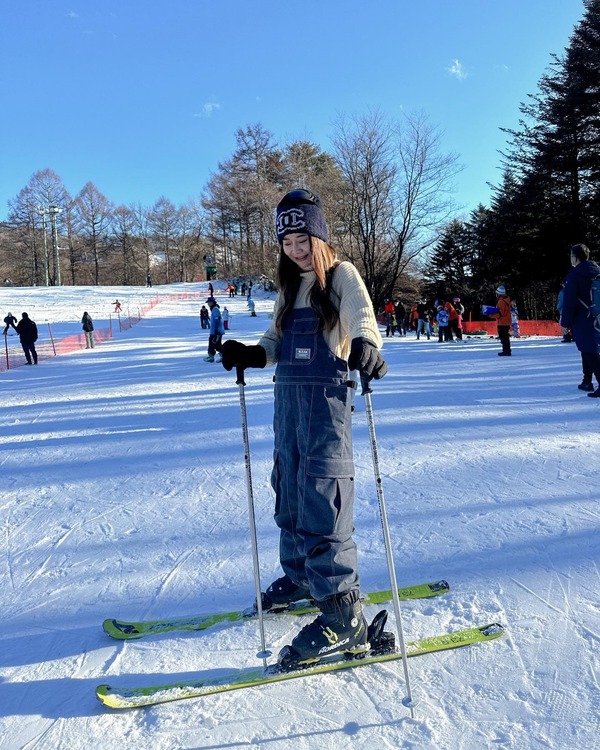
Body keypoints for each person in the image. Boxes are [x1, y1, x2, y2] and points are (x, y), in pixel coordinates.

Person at [220, 189, 387, 666]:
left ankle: (342, 614)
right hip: (287, 405)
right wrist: (254, 354)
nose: (295, 248)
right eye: (287, 240)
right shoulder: (289, 285)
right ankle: (301, 578)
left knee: (322, 498)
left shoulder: (341, 276)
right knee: (289, 491)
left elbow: (362, 318)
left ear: (319, 235)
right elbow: (275, 337)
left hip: (325, 407)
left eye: (302, 238)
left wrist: (367, 346)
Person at [560, 243, 600, 397]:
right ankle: (587, 381)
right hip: (597, 315)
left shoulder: (575, 274)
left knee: (590, 350)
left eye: (571, 256)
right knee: (587, 348)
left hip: (584, 318)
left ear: (576, 257)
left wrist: (565, 323)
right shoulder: (597, 270)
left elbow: (569, 301)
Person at [489, 285, 512, 356]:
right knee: (505, 337)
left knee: (503, 337)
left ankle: (506, 351)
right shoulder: (507, 299)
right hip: (507, 321)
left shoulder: (501, 302)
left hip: (502, 322)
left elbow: (500, 313)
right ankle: (507, 350)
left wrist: (491, 315)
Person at [204, 297, 224, 362]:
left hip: (216, 331)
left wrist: (215, 329)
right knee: (218, 345)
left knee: (212, 343)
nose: (208, 304)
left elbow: (217, 319)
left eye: (209, 302)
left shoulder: (215, 309)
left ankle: (211, 357)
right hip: (216, 331)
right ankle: (223, 356)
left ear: (212, 302)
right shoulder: (214, 309)